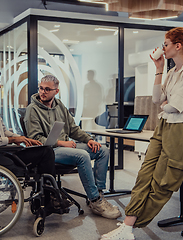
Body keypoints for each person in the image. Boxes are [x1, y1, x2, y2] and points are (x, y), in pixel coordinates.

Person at [101, 27, 183, 240]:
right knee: (145, 174)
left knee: (164, 181)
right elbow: (156, 100)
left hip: (182, 127)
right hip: (164, 125)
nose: (163, 48)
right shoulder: (172, 72)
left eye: (166, 44)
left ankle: (131, 224)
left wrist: (166, 105)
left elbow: (177, 105)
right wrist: (159, 68)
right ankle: (128, 225)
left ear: (177, 46)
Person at [0, 64, 70, 211]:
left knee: (41, 149)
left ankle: (47, 196)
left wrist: (21, 138)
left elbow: (3, 131)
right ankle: (49, 199)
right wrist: (13, 140)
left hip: (0, 150)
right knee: (46, 152)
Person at [24, 75, 121, 219]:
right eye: (41, 88)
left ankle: (98, 193)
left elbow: (73, 129)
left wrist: (89, 139)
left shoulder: (59, 106)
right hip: (48, 152)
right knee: (83, 155)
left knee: (102, 150)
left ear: (56, 91)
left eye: (47, 89)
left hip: (66, 148)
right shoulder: (33, 109)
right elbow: (35, 139)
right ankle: (95, 201)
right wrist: (61, 143)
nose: (42, 92)